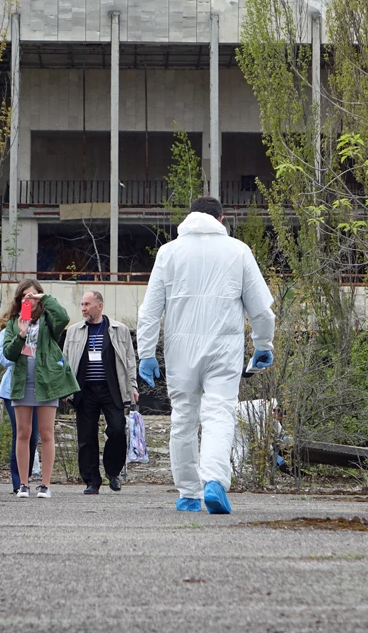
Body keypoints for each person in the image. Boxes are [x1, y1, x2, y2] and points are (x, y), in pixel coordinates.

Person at [137, 196, 276, 514]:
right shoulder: (238, 251)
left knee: (183, 419)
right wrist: (263, 345)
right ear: (221, 219)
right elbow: (261, 312)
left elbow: (149, 310)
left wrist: (145, 352)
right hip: (223, 349)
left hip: (179, 351)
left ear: (189, 218)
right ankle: (214, 481)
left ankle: (188, 493)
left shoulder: (168, 253)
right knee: (219, 415)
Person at [2, 279, 79, 498]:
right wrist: (21, 334)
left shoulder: (48, 320)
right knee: (23, 433)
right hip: (22, 382)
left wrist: (45, 298)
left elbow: (63, 317)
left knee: (46, 434)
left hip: (46, 381)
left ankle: (45, 485)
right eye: (25, 295)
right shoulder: (14, 323)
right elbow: (9, 353)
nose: (30, 299)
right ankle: (23, 484)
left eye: (34, 295)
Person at [63, 291, 139, 495]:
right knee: (86, 437)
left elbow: (130, 361)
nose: (83, 308)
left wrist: (133, 386)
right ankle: (91, 481)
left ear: (100, 306)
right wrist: (65, 389)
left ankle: (112, 472)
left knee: (117, 428)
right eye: (81, 304)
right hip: (84, 390)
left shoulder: (118, 329)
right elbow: (66, 361)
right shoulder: (74, 331)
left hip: (112, 388)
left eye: (87, 304)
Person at [0, 324, 38, 494]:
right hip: (14, 389)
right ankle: (18, 481)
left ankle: (25, 476)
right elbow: (5, 360)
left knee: (34, 436)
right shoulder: (7, 332)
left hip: (37, 389)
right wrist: (20, 337)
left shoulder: (42, 330)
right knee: (21, 433)